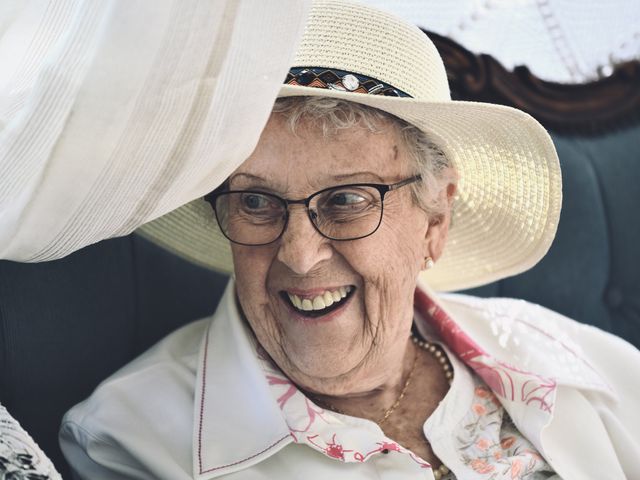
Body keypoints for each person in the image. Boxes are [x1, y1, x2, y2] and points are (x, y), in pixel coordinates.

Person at [59, 1, 640, 479]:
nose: (299, 255)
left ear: (435, 220)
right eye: (257, 202)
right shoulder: (132, 439)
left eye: (346, 201)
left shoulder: (587, 368)